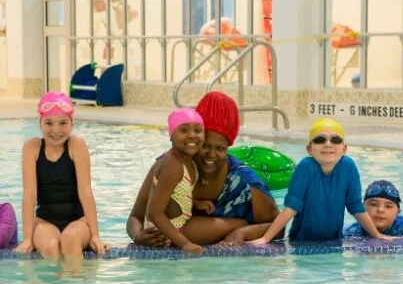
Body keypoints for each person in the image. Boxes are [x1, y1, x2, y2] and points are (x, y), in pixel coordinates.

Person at [127, 91, 279, 246]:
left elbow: (279, 228)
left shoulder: (244, 183)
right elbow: (135, 217)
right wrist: (138, 236)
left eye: (220, 148)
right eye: (205, 146)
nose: (210, 155)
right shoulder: (170, 166)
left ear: (228, 147)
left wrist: (242, 232)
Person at [251, 119, 391, 244]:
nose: (328, 144)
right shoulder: (305, 167)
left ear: (344, 148)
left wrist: (377, 236)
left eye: (335, 140)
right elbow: (291, 208)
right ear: (309, 149)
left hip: (335, 241)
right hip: (301, 242)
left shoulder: (348, 167)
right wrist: (266, 239)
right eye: (320, 140)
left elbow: (356, 207)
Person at [15, 91, 110, 260]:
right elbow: (29, 195)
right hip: (45, 221)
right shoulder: (32, 148)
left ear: (72, 123)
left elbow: (86, 191)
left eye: (63, 123)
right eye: (49, 123)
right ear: (40, 123)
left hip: (78, 221)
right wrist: (28, 238)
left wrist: (95, 235)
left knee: (70, 240)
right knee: (51, 247)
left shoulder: (77, 145)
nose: (56, 130)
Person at [145, 108, 207, 254]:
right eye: (184, 130)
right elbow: (155, 213)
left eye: (198, 130)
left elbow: (173, 196)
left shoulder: (188, 161)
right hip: (166, 233)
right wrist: (184, 244)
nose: (192, 135)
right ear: (171, 135)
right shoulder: (173, 164)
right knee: (237, 225)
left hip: (173, 228)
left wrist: (197, 204)